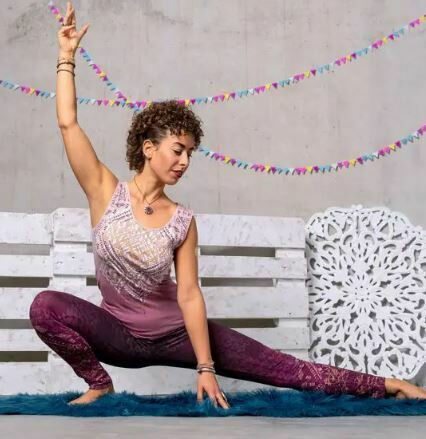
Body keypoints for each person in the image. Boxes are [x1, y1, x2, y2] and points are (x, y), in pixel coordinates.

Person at [29, 1, 426, 407]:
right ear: (148, 148)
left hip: (177, 335)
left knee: (286, 369)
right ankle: (99, 384)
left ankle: (388, 384)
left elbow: (189, 295)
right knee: (45, 306)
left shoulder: (181, 219)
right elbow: (68, 123)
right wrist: (66, 57)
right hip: (116, 335)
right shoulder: (104, 192)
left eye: (190, 153)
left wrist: (205, 366)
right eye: (178, 150)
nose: (185, 161)